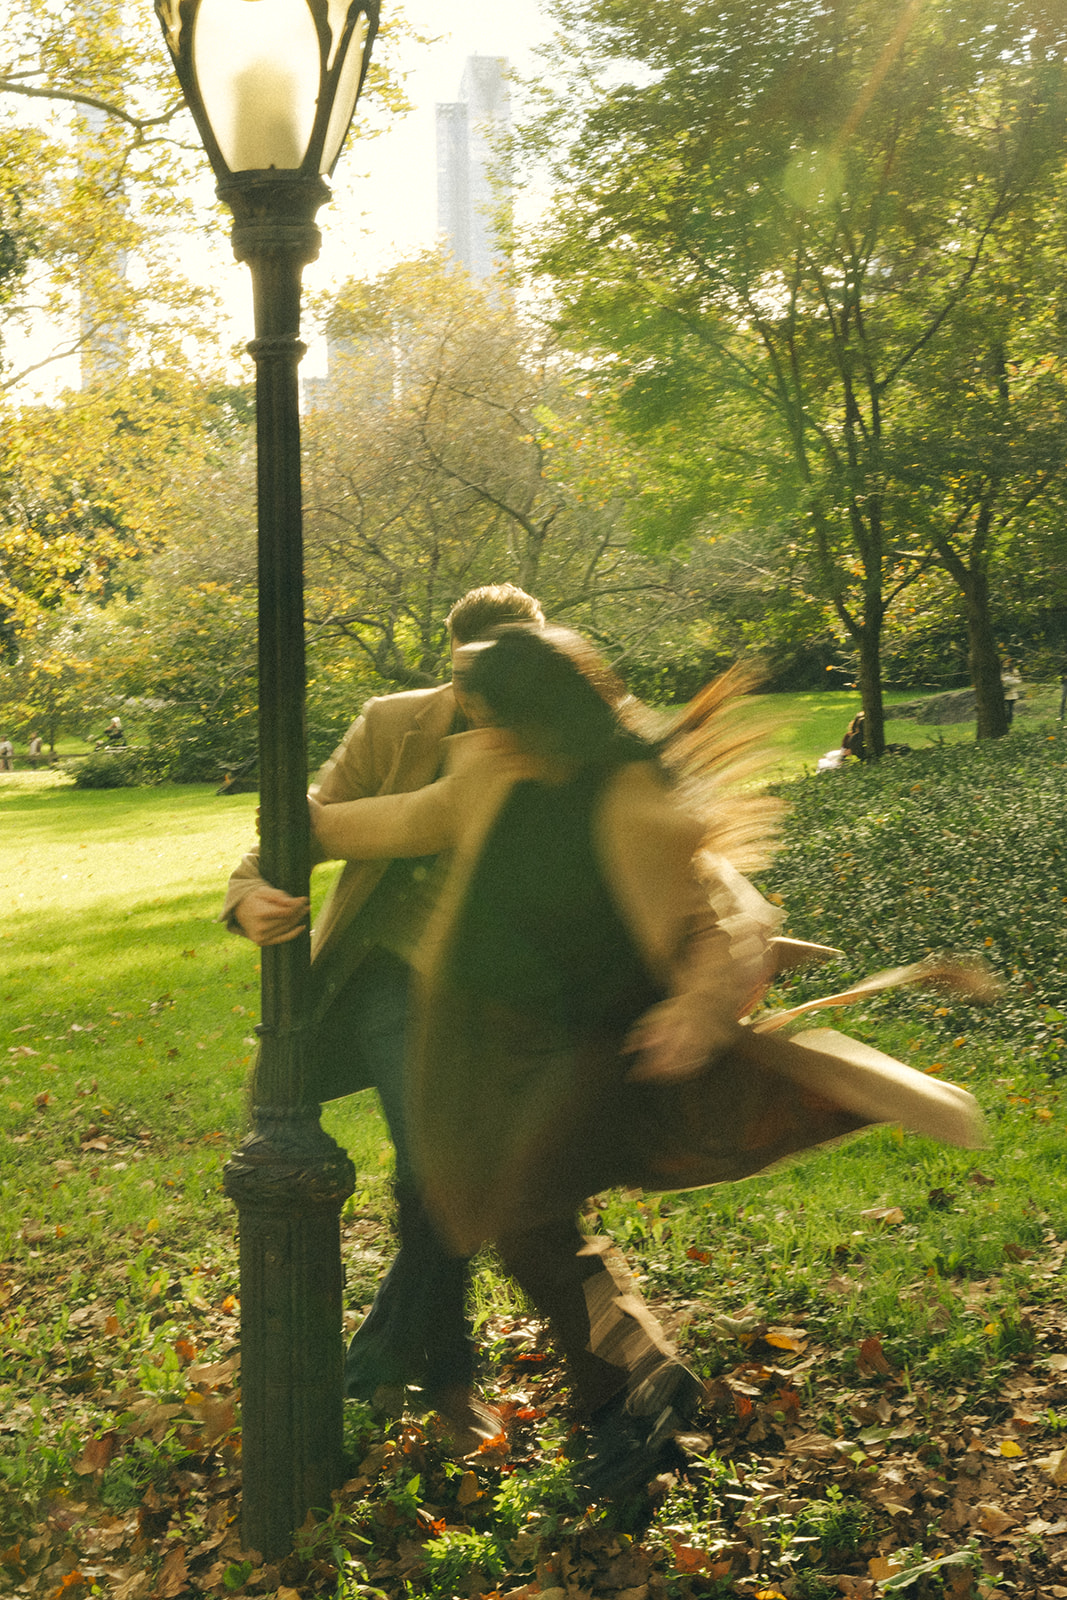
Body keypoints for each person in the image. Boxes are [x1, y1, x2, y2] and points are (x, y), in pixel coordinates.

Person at [310, 625, 983, 1500]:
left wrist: (694, 1012)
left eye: (493, 712)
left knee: (525, 1220)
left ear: (537, 713)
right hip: (489, 1044)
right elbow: (406, 820)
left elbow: (708, 926)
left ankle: (640, 1397)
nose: (477, 726)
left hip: (591, 1044)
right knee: (524, 1227)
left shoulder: (630, 796)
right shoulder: (487, 768)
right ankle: (631, 1412)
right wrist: (301, 829)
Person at [222, 584, 547, 1450]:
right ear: (451, 664)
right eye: (473, 675)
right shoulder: (392, 725)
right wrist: (249, 893)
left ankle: (385, 1367)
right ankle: (427, 1381)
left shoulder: (566, 737)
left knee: (478, 1178)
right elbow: (299, 825)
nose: (489, 694)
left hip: (509, 992)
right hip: (393, 980)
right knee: (438, 1171)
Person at [1001, 662, 1021, 726]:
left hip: (1011, 694)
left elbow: (1019, 681)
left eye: (1008, 661)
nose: (1006, 663)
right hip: (1001, 694)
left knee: (1009, 712)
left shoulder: (1014, 671)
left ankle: (1009, 725)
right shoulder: (999, 670)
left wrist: (1009, 681)